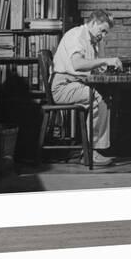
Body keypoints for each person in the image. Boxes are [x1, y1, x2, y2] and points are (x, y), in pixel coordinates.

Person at [51, 10, 122, 166]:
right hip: (63, 87)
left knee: (107, 95)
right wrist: (105, 61)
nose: (103, 35)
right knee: (99, 98)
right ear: (93, 22)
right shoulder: (76, 35)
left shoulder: (91, 40)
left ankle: (92, 149)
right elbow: (77, 64)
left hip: (74, 83)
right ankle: (90, 152)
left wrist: (101, 64)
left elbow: (90, 67)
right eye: (102, 30)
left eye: (106, 33)